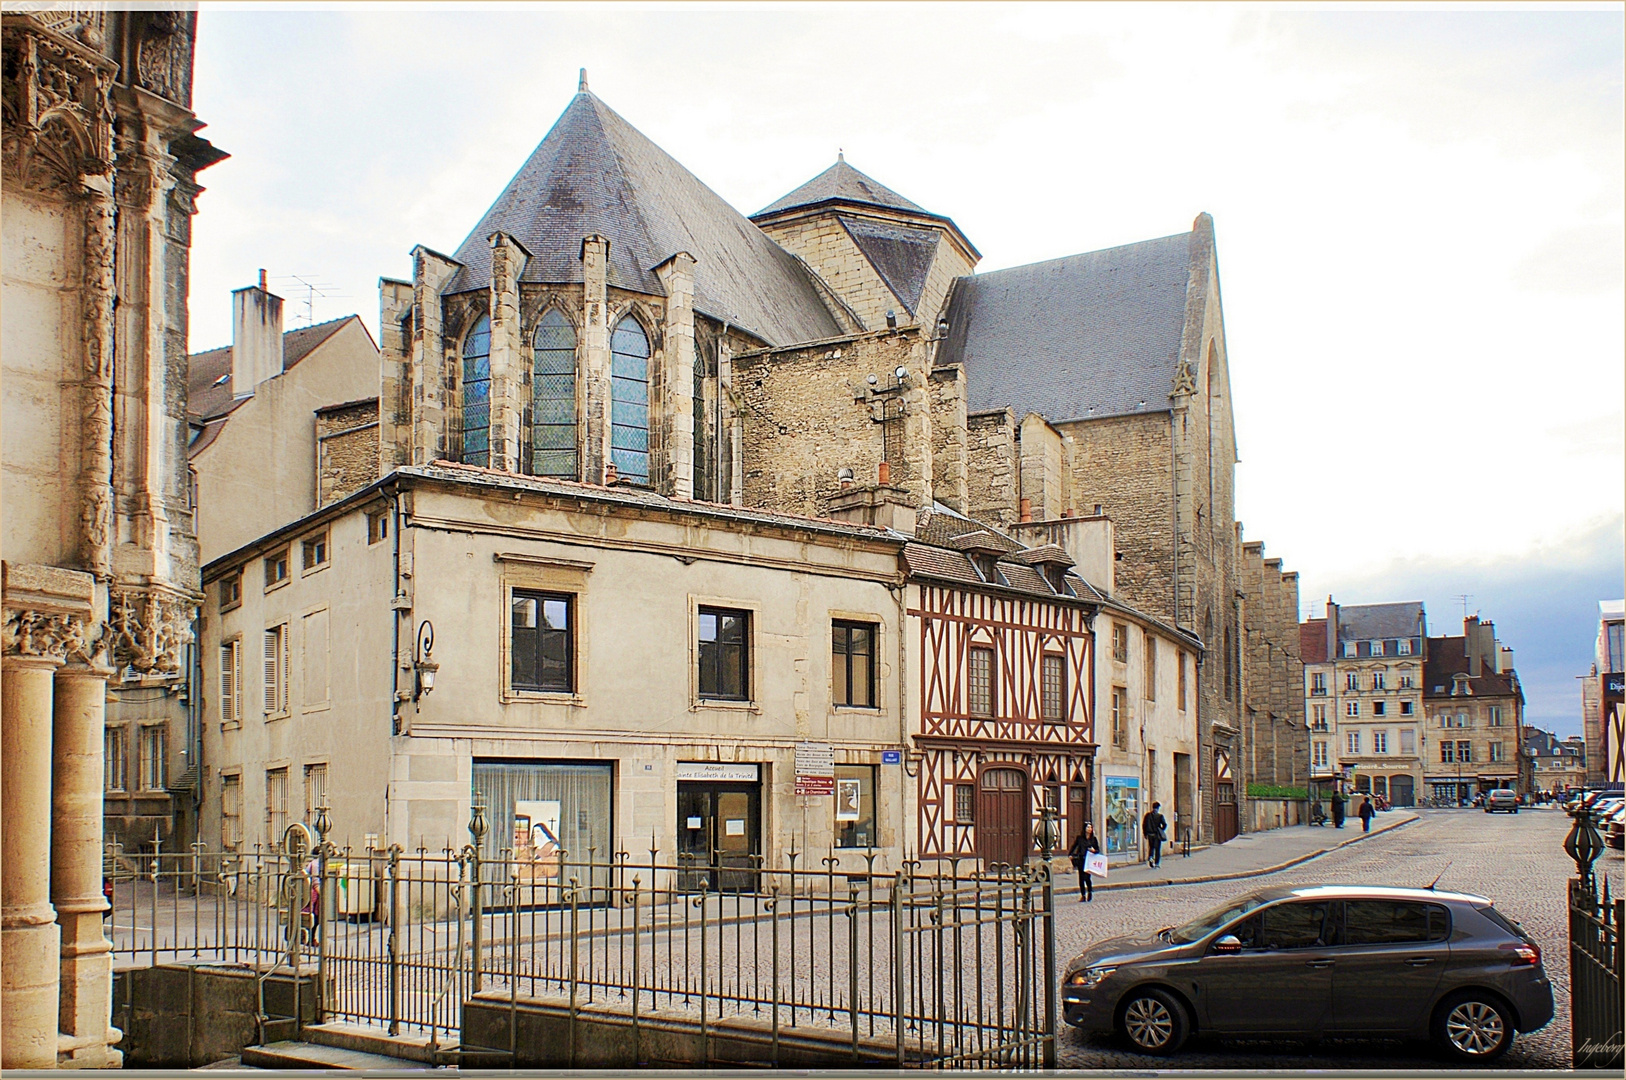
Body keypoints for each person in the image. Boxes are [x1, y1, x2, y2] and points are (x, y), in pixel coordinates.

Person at [1068, 822, 1101, 902]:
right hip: (1081, 859)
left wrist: (1094, 850)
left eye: (1090, 827)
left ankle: (1089, 892)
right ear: (1084, 829)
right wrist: (1071, 854)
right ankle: (1083, 895)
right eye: (1088, 827)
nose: (1089, 829)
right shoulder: (1080, 838)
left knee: (1087, 878)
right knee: (1081, 878)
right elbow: (1074, 846)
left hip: (1089, 860)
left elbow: (1097, 850)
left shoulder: (1093, 839)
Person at [1141, 802, 1168, 868]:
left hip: (1150, 834)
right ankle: (1157, 863)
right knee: (1157, 849)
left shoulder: (1147, 815)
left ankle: (1150, 857)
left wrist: (1145, 833)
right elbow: (1165, 824)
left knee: (1151, 847)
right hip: (1156, 835)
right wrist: (1161, 830)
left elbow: (1144, 825)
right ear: (1158, 808)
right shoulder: (1160, 816)